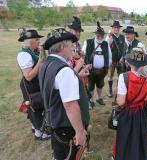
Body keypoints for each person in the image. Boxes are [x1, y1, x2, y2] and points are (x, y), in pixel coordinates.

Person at [39, 28, 90, 160]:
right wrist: (79, 132)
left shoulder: (46, 63)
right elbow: (70, 105)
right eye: (71, 43)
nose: (74, 46)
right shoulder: (64, 71)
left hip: (56, 123)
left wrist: (77, 76)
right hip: (67, 127)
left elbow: (57, 88)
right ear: (62, 47)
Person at [112, 48, 147, 160]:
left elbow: (121, 102)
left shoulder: (124, 77)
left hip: (127, 112)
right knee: (140, 136)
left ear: (129, 62)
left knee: (125, 136)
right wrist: (142, 103)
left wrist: (118, 98)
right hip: (141, 111)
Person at [17, 29, 50, 140]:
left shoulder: (33, 51)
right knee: (35, 107)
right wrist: (40, 62)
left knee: (41, 106)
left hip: (37, 84)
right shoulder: (23, 55)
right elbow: (29, 76)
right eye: (37, 39)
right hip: (30, 86)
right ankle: (41, 133)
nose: (39, 41)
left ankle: (39, 131)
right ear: (31, 42)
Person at [82, 21, 112, 106]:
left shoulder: (106, 44)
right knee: (90, 86)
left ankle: (99, 98)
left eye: (101, 35)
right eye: (98, 35)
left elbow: (110, 56)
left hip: (102, 70)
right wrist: (85, 65)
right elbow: (83, 54)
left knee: (100, 85)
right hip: (91, 70)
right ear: (95, 35)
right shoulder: (88, 42)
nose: (100, 37)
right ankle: (90, 100)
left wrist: (106, 66)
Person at [106, 20, 125, 98]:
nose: (116, 29)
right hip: (112, 61)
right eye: (114, 28)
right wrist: (109, 36)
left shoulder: (123, 37)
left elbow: (125, 48)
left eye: (117, 27)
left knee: (120, 76)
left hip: (120, 60)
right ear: (112, 28)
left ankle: (118, 90)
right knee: (110, 76)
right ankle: (110, 90)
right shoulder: (109, 37)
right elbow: (107, 45)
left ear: (119, 28)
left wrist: (123, 57)